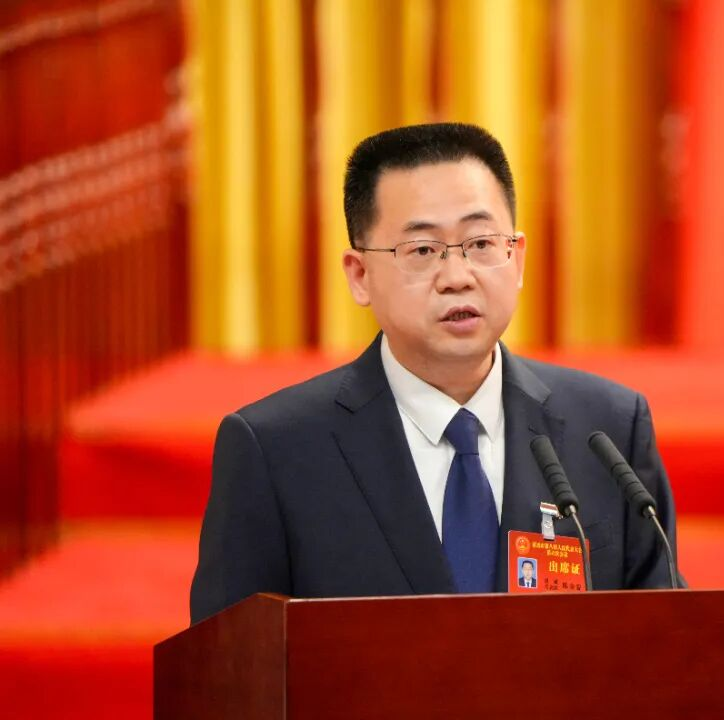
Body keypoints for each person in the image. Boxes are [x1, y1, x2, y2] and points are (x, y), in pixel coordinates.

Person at [189, 123, 681, 625]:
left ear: (517, 258)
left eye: (481, 243)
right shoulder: (277, 450)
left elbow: (664, 638)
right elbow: (230, 660)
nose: (457, 277)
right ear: (359, 275)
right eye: (423, 251)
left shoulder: (608, 429)